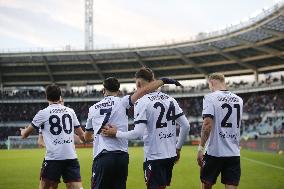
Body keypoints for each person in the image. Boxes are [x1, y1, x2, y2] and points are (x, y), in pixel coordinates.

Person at [84, 74, 182, 189]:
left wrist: (97, 135)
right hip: (121, 157)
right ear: (118, 90)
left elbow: (87, 137)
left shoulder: (93, 108)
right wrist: (164, 80)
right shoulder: (123, 102)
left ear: (103, 90)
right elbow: (144, 90)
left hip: (103, 156)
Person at [20, 84, 85, 189]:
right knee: (76, 186)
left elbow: (26, 134)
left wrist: (23, 132)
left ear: (46, 97)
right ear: (60, 97)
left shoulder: (43, 113)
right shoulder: (70, 111)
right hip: (71, 157)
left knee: (46, 186)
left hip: (53, 157)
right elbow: (82, 135)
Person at [197, 73, 243, 189]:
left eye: (209, 86)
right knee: (231, 186)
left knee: (206, 184)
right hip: (233, 152)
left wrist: (200, 148)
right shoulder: (239, 100)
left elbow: (207, 124)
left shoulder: (210, 97)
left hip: (214, 152)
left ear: (212, 83)